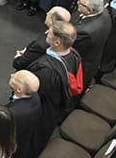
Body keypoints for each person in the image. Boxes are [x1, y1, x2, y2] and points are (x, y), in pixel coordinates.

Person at [27, 21, 82, 154]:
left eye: (50, 33)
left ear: (57, 42)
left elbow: (34, 94)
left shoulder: (47, 70)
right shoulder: (74, 55)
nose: (46, 33)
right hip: (57, 108)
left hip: (42, 112)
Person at [71, 0, 112, 86]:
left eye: (81, 4)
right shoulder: (103, 12)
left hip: (82, 67)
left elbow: (68, 45)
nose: (78, 4)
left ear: (90, 11)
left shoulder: (85, 32)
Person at [5, 70, 42, 158]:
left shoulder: (13, 114)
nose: (11, 74)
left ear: (19, 90)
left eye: (14, 78)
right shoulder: (35, 96)